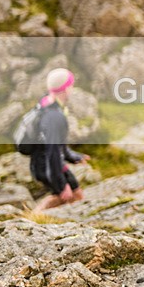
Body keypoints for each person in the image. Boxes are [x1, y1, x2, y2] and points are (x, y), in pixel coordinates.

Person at [30, 68, 90, 211]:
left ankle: (34, 217)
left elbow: (56, 144)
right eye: (71, 85)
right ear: (66, 88)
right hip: (48, 166)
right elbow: (52, 152)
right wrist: (61, 185)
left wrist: (73, 156)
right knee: (68, 196)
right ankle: (32, 218)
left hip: (46, 163)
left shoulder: (46, 103)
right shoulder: (54, 116)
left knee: (76, 195)